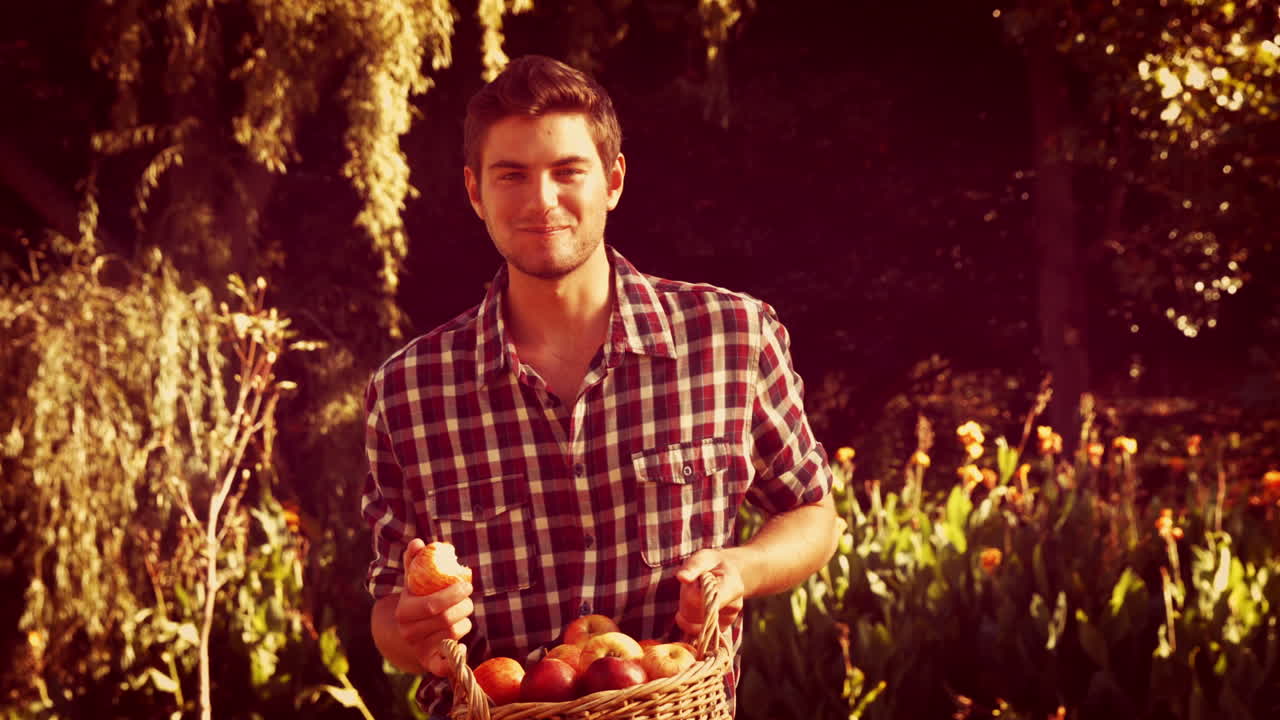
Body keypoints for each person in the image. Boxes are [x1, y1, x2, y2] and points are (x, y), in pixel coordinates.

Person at [362, 54, 839, 717]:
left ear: (613, 180)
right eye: (511, 176)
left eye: (568, 172)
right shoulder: (411, 391)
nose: (541, 200)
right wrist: (417, 627)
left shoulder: (731, 338)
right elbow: (388, 612)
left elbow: (812, 513)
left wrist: (741, 568)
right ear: (474, 192)